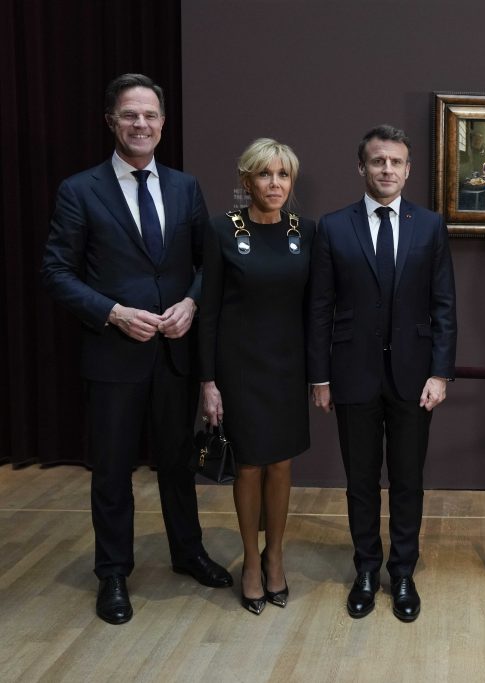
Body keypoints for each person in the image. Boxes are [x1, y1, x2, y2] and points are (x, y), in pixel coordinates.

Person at [40, 73, 232, 625]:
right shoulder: (80, 190)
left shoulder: (185, 187)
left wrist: (192, 305)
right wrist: (114, 312)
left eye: (150, 115)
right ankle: (114, 573)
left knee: (176, 463)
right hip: (113, 356)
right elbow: (55, 273)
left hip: (174, 354)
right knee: (112, 469)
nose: (141, 124)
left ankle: (187, 552)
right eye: (130, 115)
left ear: (163, 123)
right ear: (111, 122)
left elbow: (205, 265)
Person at [308, 125, 457, 623]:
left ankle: (404, 572)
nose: (387, 169)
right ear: (362, 167)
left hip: (415, 377)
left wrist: (441, 372)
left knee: (409, 480)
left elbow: (444, 305)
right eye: (378, 161)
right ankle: (367, 570)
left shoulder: (430, 225)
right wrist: (320, 377)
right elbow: (320, 308)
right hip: (352, 375)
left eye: (395, 162)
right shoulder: (332, 226)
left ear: (409, 169)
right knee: (361, 481)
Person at [197, 138, 312, 615]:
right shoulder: (224, 230)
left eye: (283, 175)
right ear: (247, 181)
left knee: (282, 465)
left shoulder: (305, 232)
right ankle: (249, 563)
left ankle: (276, 557)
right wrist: (208, 381)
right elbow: (207, 313)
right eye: (265, 174)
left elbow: (314, 307)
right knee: (248, 466)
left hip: (288, 367)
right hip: (239, 368)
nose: (275, 184)